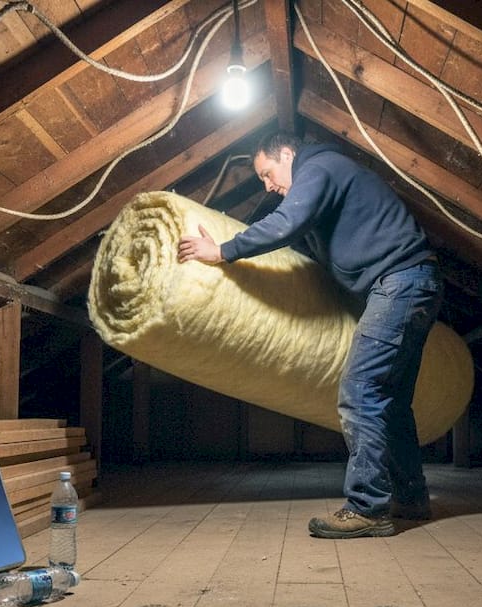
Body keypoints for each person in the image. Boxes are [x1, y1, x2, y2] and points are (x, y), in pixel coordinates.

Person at [177, 133, 443, 539]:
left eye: (268, 173)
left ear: (287, 154)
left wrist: (223, 251)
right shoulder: (326, 181)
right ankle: (411, 498)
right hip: (413, 284)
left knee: (360, 390)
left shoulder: (318, 167)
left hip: (400, 283)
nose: (267, 185)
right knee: (392, 403)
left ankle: (367, 507)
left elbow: (286, 222)